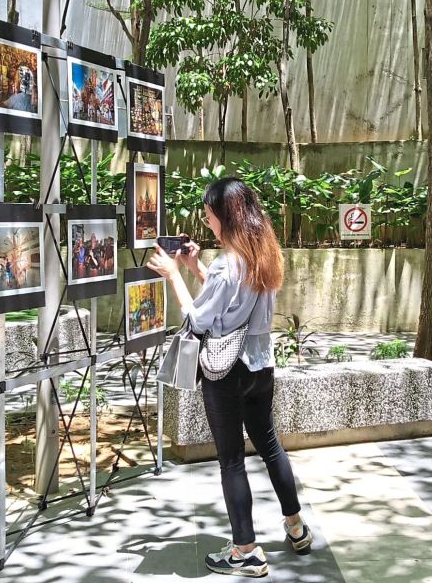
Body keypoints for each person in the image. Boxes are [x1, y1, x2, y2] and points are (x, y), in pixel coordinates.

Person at [147, 177, 312, 577]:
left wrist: (173, 274)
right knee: (270, 446)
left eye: (209, 216)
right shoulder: (262, 254)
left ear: (225, 217)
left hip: (227, 370)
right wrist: (194, 266)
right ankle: (296, 527)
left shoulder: (228, 264)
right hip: (260, 365)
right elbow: (231, 303)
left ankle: (246, 550)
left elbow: (201, 319)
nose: (207, 224)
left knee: (232, 461)